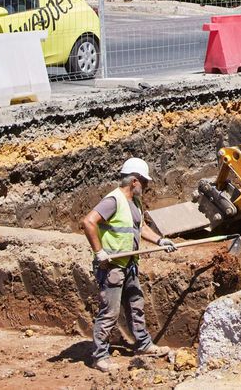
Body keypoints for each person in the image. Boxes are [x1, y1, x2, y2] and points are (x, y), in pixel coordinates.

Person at [81, 157, 177, 372]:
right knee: (110, 312)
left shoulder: (134, 202)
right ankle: (100, 356)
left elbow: (140, 227)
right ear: (134, 181)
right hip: (112, 267)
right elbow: (88, 222)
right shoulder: (113, 200)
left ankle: (143, 345)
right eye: (144, 182)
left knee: (136, 305)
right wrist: (99, 252)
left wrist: (161, 241)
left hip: (129, 264)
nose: (147, 186)